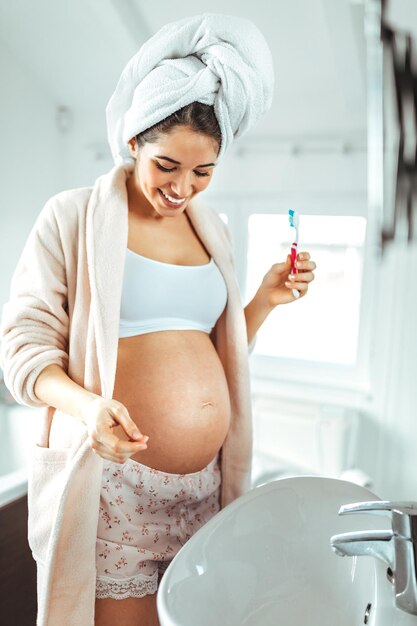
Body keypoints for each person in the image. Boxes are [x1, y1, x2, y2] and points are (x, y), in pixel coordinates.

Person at [0, 13, 316, 626]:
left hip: (203, 489)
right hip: (116, 482)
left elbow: (217, 353)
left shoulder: (212, 230)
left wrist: (263, 302)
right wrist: (88, 407)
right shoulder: (72, 217)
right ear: (133, 142)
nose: (182, 188)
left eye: (203, 173)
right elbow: (21, 348)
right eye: (166, 166)